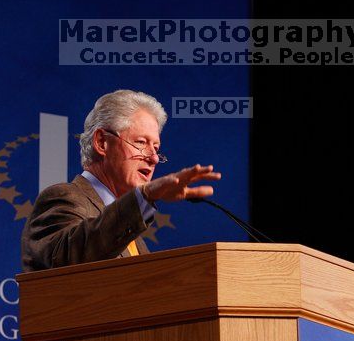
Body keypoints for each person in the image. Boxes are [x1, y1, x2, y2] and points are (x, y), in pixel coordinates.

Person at [21, 89, 221, 271]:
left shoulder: (128, 223)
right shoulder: (64, 198)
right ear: (102, 142)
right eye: (141, 143)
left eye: (156, 149)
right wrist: (144, 196)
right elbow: (68, 259)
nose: (152, 158)